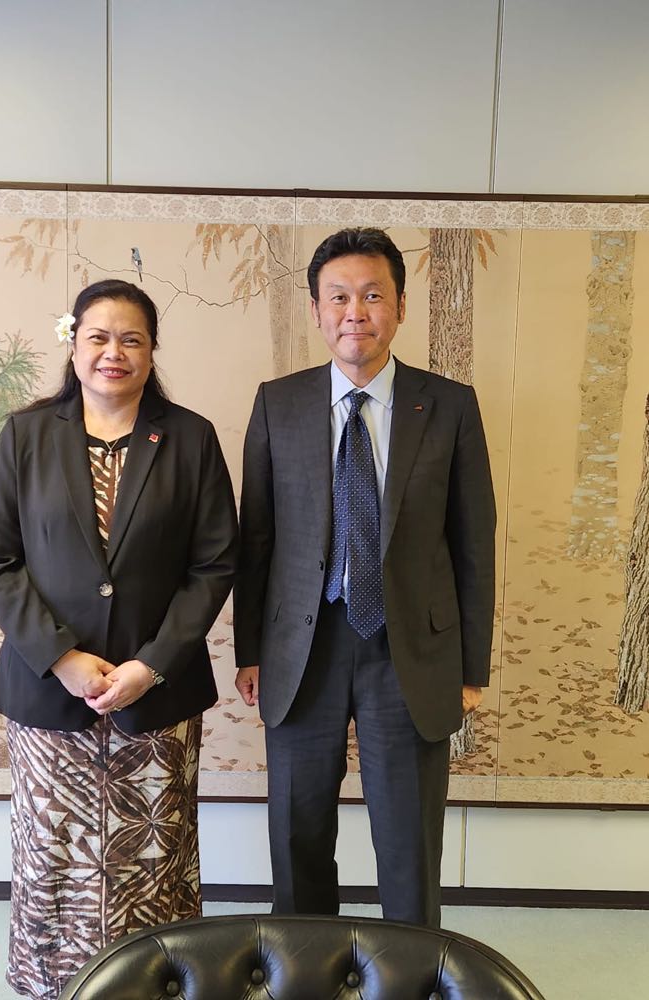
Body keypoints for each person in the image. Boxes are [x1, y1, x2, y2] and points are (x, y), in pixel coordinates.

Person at [0, 279, 237, 999]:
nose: (113, 352)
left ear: (151, 351)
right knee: (54, 852)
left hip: (157, 694)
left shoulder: (190, 438)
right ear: (73, 343)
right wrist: (59, 656)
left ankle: (158, 983)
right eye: (98, 336)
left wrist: (151, 664)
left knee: (154, 852)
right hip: (46, 691)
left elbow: (214, 564)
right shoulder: (27, 435)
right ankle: (52, 985)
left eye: (131, 339)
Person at [234, 228, 496, 927]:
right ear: (317, 310)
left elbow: (474, 543)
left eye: (374, 295)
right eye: (339, 297)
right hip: (302, 647)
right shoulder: (278, 403)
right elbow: (256, 540)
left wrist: (472, 666)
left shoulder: (449, 405)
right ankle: (304, 968)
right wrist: (250, 651)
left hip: (408, 649)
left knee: (409, 842)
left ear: (400, 307)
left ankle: (408, 973)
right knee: (298, 835)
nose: (356, 312)